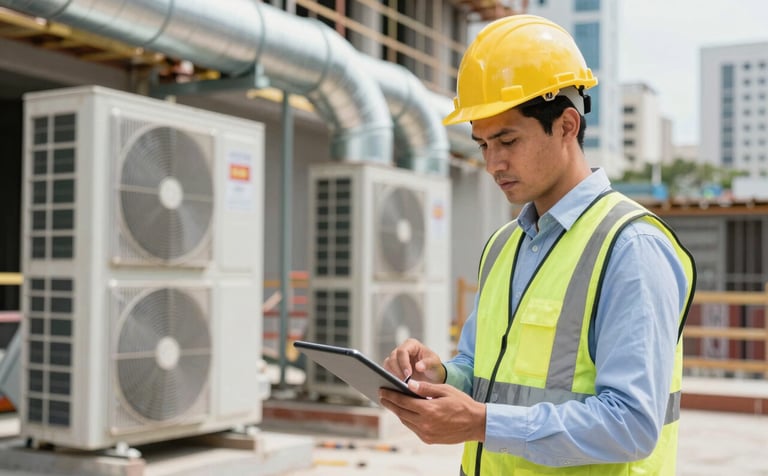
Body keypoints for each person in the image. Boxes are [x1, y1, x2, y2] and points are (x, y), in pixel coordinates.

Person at [379, 14, 696, 476]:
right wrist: (441, 374)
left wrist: (482, 423)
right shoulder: (504, 245)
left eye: (507, 140)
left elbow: (631, 425)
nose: (493, 163)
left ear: (566, 125)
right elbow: (483, 368)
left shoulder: (631, 248)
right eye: (483, 145)